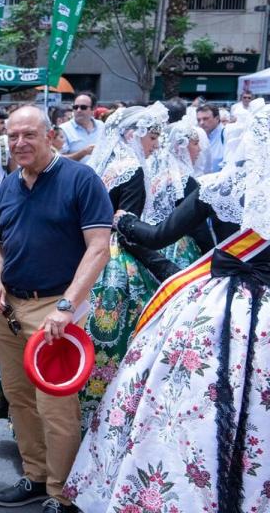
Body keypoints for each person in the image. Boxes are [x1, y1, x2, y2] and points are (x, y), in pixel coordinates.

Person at [67, 106, 270, 513]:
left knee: (178, 399)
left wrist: (123, 222)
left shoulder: (225, 184)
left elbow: (157, 235)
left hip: (218, 309)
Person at [0, 106, 112, 513]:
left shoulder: (80, 179)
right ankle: (36, 476)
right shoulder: (8, 185)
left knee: (55, 408)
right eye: (12, 137)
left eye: (28, 135)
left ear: (50, 135)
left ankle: (63, 493)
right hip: (8, 307)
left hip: (54, 307)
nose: (20, 143)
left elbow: (98, 248)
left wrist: (66, 306)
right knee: (19, 399)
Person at [80, 105, 174, 433]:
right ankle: (108, 419)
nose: (155, 144)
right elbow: (127, 229)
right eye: (152, 136)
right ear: (133, 134)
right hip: (116, 263)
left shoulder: (102, 164)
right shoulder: (133, 168)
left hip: (87, 255)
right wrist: (167, 270)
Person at [143, 117, 214, 265]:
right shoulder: (183, 181)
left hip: (149, 245)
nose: (199, 149)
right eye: (195, 144)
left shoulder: (152, 175)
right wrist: (211, 253)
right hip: (179, 250)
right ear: (180, 147)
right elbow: (198, 228)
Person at [60, 92, 104, 163]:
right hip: (75, 173)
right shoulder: (63, 129)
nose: (78, 110)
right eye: (75, 107)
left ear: (93, 109)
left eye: (83, 107)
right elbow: (60, 159)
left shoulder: (101, 126)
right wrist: (83, 152)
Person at [196, 104, 226, 174]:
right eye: (199, 120)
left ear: (217, 118)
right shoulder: (197, 136)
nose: (201, 123)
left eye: (205, 119)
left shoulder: (226, 134)